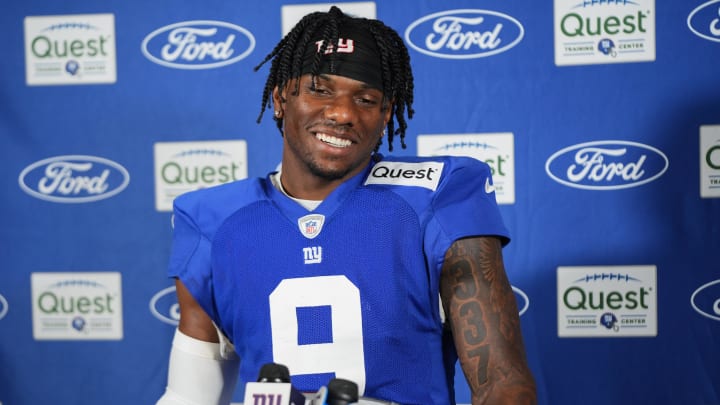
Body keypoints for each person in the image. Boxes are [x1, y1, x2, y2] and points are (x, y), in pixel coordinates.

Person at [157, 6, 536, 405]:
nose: (342, 113)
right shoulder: (212, 222)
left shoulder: (436, 197)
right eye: (320, 89)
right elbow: (188, 396)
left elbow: (502, 383)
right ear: (281, 98)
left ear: (386, 114)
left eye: (366, 99)